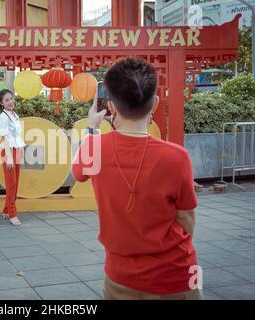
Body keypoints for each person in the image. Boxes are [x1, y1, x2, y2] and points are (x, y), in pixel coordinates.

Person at [72, 58, 201, 300]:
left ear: (111, 107)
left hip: (120, 276)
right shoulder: (177, 157)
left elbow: (78, 174)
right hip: (178, 275)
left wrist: (92, 127)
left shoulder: (94, 149)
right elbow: (186, 218)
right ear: (155, 104)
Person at [0, 89, 26, 226]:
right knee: (11, 183)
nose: (10, 102)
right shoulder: (2, 118)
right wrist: (9, 157)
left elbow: (17, 136)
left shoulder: (15, 115)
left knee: (16, 182)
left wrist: (21, 150)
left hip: (17, 149)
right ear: (1, 103)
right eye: (6, 100)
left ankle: (6, 210)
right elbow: (5, 138)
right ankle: (12, 214)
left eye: (11, 98)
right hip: (8, 152)